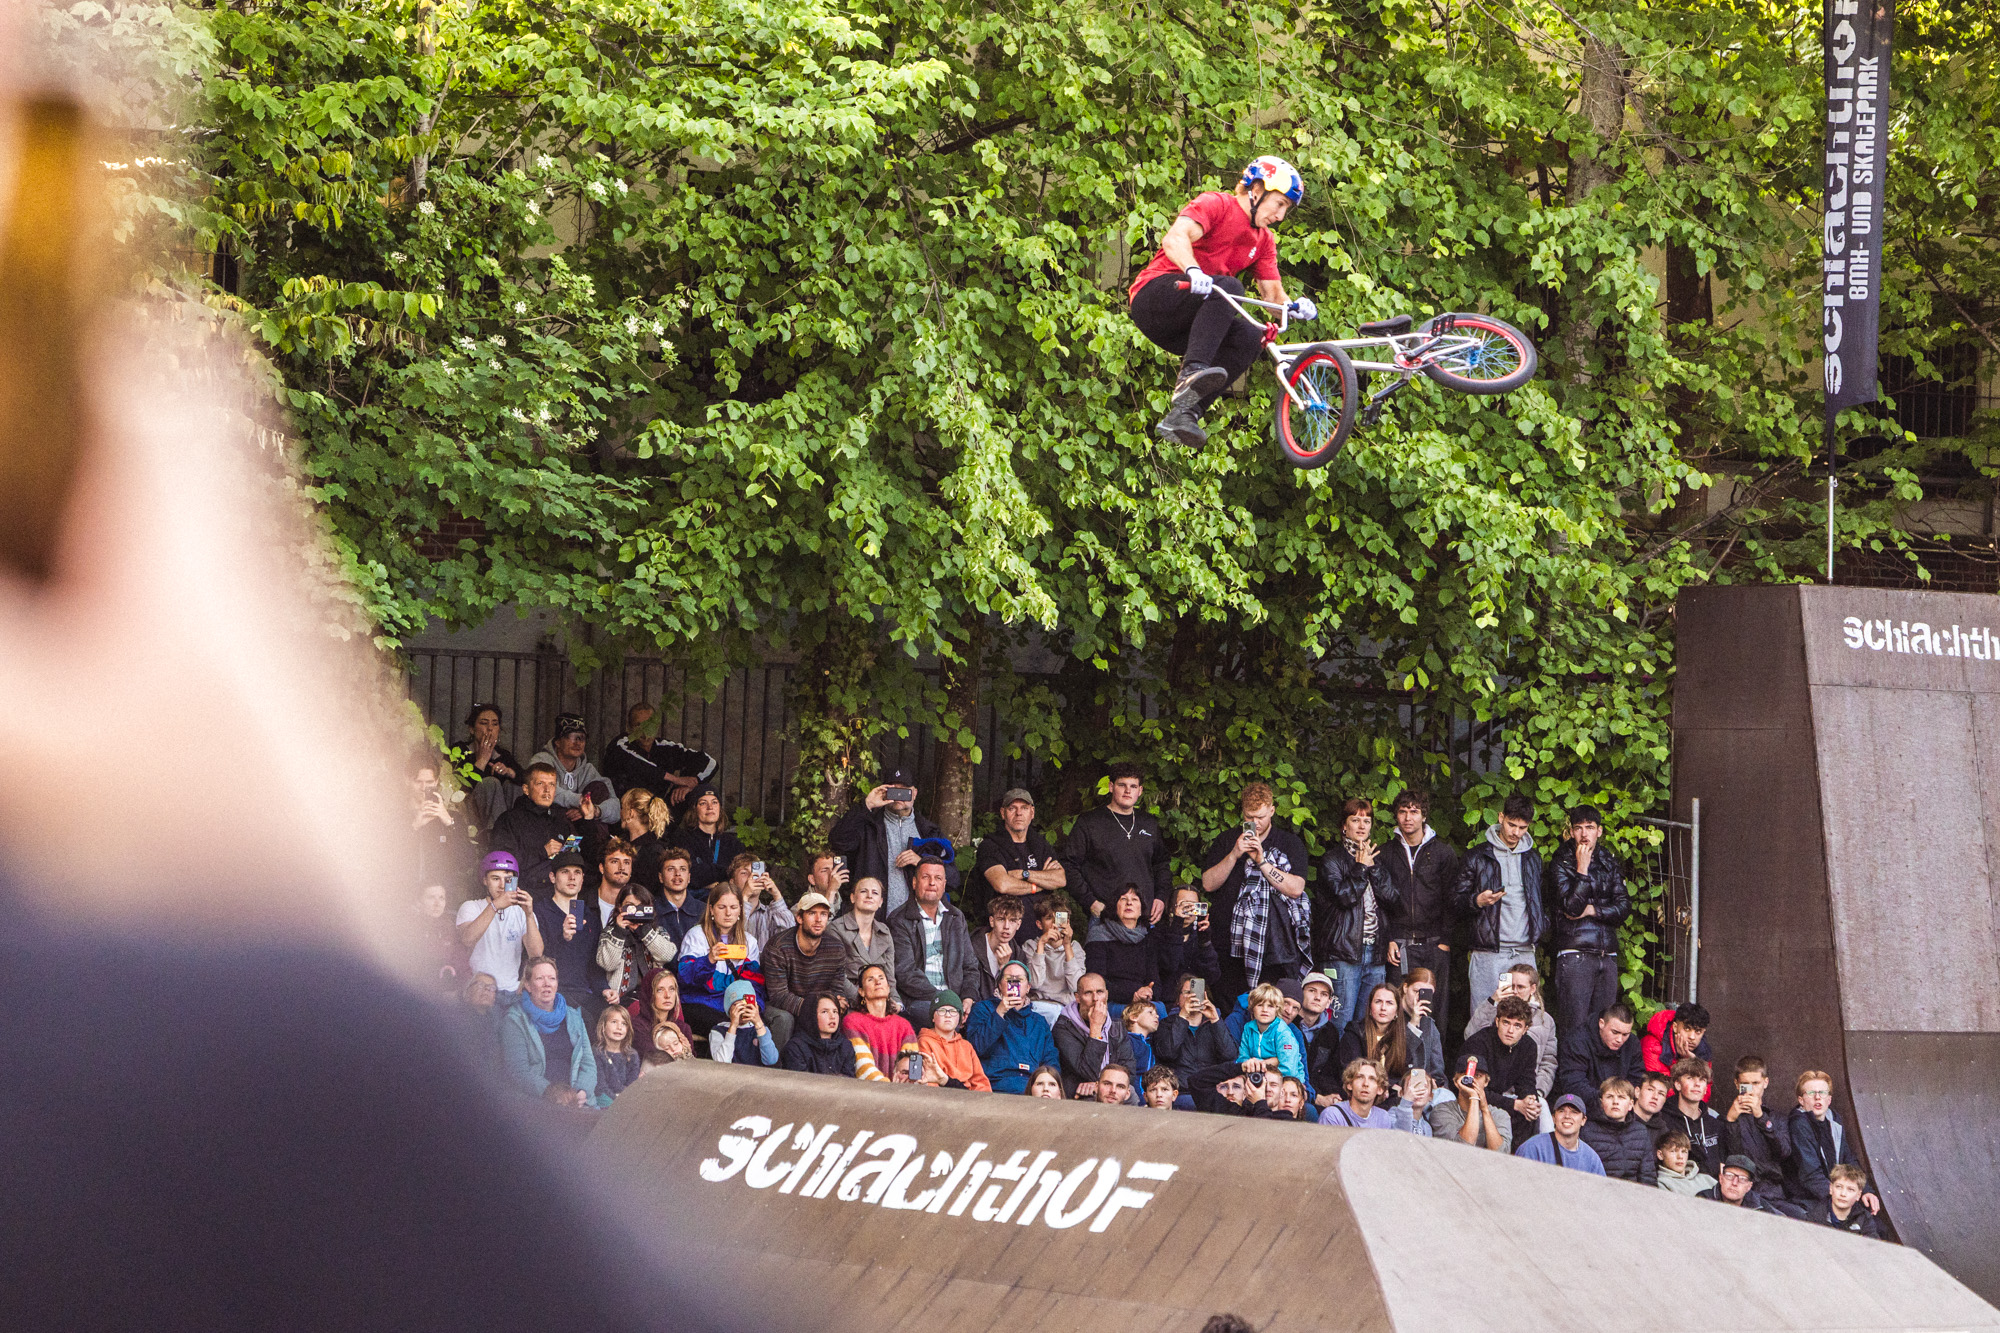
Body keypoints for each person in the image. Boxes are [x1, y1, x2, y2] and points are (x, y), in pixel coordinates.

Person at [1127, 155, 1312, 446]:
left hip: (1191, 324)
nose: (1280, 216)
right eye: (1280, 204)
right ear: (1258, 190)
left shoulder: (1263, 241)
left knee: (1252, 335)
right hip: (1155, 296)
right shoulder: (1216, 204)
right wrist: (1193, 270)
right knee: (1230, 286)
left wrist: (1294, 307)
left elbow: (1272, 294)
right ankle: (1193, 372)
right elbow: (1175, 239)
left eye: (1286, 209)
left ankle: (1184, 414)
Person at [1201, 781, 1310, 999]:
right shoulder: (1226, 840)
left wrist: (1262, 861)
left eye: (1260, 817)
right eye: (1249, 817)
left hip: (1275, 949)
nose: (1254, 823)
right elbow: (1208, 884)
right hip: (1230, 945)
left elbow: (1296, 888)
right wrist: (1234, 854)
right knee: (1232, 1008)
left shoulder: (1289, 843)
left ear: (1272, 810)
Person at [1316, 797, 1401, 1029]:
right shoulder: (1332, 860)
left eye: (1367, 820)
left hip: (1374, 953)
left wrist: (1373, 869)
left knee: (1369, 1025)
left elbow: (1393, 901)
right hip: (1343, 953)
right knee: (1340, 1023)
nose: (1362, 825)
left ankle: (1364, 1067)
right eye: (1355, 820)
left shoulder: (1376, 859)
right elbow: (1345, 897)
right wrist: (1361, 867)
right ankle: (1335, 1067)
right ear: (1344, 826)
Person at [1454, 793, 1546, 1005]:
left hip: (1524, 951)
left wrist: (1541, 926)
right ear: (1500, 817)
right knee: (1485, 1015)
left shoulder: (1533, 858)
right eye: (1511, 825)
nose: (1516, 832)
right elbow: (1454, 901)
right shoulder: (1477, 856)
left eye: (1523, 828)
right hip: (1489, 952)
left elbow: (1540, 902)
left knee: (1525, 1019)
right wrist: (1477, 901)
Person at [1381, 789, 1461, 1026]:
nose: (1408, 817)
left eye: (1414, 812)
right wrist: (1389, 937)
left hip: (1434, 943)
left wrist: (1445, 940)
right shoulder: (1385, 853)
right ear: (1396, 816)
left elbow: (1453, 898)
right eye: (1403, 811)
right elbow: (1379, 901)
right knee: (1398, 1010)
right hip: (1400, 945)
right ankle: (1397, 1062)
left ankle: (1433, 1063)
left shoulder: (1443, 853)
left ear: (1424, 816)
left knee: (1434, 1012)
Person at [828, 769, 959, 914]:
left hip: (915, 923)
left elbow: (953, 879)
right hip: (873, 919)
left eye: (904, 791)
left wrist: (922, 862)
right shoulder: (868, 826)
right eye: (893, 790)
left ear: (914, 793)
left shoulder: (929, 831)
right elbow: (838, 842)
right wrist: (867, 804)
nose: (898, 796)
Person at [1547, 805, 1629, 1033]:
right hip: (1575, 953)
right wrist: (1582, 869)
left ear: (1599, 831)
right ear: (1571, 832)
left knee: (1603, 1029)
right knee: (1575, 1028)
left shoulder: (1608, 861)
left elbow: (1624, 907)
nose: (1584, 834)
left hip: (1607, 953)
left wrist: (1593, 910)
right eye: (1578, 828)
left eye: (1590, 828)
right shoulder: (1561, 861)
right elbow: (1572, 908)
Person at [1064, 762, 1173, 924]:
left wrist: (1161, 897)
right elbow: (1069, 865)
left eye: (1133, 786)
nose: (1128, 791)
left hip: (1144, 917)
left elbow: (1161, 864)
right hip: (1105, 917)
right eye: (1122, 785)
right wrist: (1090, 902)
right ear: (1111, 787)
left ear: (1140, 791)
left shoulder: (1149, 823)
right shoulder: (1090, 822)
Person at [499, 957, 603, 1109]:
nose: (547, 983)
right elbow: (518, 1071)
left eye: (552, 978)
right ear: (528, 984)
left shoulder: (573, 1016)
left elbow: (588, 1062)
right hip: (537, 1104)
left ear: (557, 983)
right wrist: (550, 1091)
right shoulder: (514, 1020)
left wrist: (582, 1091)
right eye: (540, 978)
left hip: (579, 1103)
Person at [888, 859, 980, 1027]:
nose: (932, 883)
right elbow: (905, 973)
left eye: (938, 878)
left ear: (944, 884)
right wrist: (945, 1001)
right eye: (926, 877)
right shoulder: (900, 920)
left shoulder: (956, 917)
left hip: (956, 998)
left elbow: (970, 966)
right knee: (940, 1018)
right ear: (914, 882)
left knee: (984, 1016)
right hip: (920, 999)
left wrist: (967, 997)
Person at [1786, 1070, 1881, 1215]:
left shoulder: (1834, 1121)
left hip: (1835, 1194)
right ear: (1801, 1100)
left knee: (1875, 1225)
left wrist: (1865, 1190)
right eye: (1811, 1093)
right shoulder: (1798, 1125)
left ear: (1829, 1099)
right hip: (1808, 1198)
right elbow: (1810, 1175)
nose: (1817, 1097)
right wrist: (1842, 1199)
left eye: (1822, 1093)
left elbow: (1848, 1161)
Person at [1465, 964, 1559, 1111]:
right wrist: (1492, 1002)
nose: (1515, 991)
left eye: (1520, 987)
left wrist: (1535, 1094)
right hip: (1492, 1089)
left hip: (1527, 1089)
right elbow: (1471, 1037)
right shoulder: (1496, 1012)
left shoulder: (1545, 1021)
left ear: (1532, 989)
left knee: (1541, 1110)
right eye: (1511, 986)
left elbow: (1548, 1063)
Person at [676, 884, 765, 1036]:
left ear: (740, 910)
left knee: (755, 1028)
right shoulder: (697, 935)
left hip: (735, 1004)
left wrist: (747, 1006)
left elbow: (754, 984)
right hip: (700, 1003)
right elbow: (684, 979)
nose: (728, 913)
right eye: (722, 907)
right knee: (728, 1028)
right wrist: (708, 960)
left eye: (733, 907)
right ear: (711, 909)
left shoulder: (749, 941)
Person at [762, 890, 845, 1051]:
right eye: (812, 913)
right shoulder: (778, 947)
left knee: (845, 1015)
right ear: (799, 918)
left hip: (817, 1005)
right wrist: (814, 1009)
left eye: (824, 914)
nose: (818, 919)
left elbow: (836, 990)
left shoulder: (836, 948)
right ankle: (775, 1071)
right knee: (784, 1019)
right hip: (778, 1005)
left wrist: (834, 1004)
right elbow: (778, 995)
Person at [600, 701, 716, 816]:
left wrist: (689, 785)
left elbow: (710, 762)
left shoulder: (665, 747)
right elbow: (640, 764)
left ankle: (667, 832)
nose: (645, 731)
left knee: (699, 788)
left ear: (657, 726)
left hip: (658, 814)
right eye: (639, 725)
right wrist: (676, 779)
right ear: (629, 727)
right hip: (626, 816)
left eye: (649, 725)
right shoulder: (621, 744)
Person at [455, 852, 544, 996]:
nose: (502, 885)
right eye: (496, 878)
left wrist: (529, 914)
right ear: (485, 880)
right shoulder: (471, 907)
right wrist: (495, 906)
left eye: (508, 879)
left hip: (511, 991)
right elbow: (467, 939)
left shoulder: (521, 912)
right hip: (478, 991)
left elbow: (536, 954)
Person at [971, 788, 1066, 923]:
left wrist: (1024, 874)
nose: (1019, 813)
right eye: (1012, 808)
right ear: (1003, 813)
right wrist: (1040, 885)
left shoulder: (1040, 843)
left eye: (1024, 808)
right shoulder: (990, 846)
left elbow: (1060, 879)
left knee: (1066, 934)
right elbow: (1002, 885)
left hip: (1045, 928)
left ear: (1032, 813)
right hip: (1008, 931)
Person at [1083, 884, 1187, 1006]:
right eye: (1123, 899)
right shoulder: (1099, 935)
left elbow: (1156, 979)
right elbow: (1096, 982)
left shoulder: (1147, 937)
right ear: (1115, 906)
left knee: (1159, 1008)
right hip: (1110, 1002)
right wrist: (1133, 994)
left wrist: (1149, 992)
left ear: (1141, 910)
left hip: (1143, 1002)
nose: (1129, 903)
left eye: (1134, 899)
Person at [967, 961, 1062, 1094]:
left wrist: (1048, 1087)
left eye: (1019, 980)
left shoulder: (1039, 1022)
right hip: (993, 1085)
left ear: (1028, 987)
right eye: (1009, 979)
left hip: (1031, 1088)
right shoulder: (984, 1009)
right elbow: (975, 1048)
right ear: (1000, 985)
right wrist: (1000, 1013)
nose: (1014, 984)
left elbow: (1051, 1061)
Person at [1461, 994, 1542, 1148]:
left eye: (1517, 1025)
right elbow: (1471, 1088)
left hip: (1501, 1100)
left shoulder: (1529, 1046)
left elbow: (1527, 1082)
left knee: (1530, 1115)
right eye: (1506, 1023)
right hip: (1472, 1101)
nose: (1510, 1030)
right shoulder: (1478, 1043)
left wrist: (1530, 1100)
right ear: (1497, 1021)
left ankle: (1520, 1160)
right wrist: (1515, 1105)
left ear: (1525, 1029)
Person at [486, 764, 572, 897]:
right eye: (540, 783)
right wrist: (542, 852)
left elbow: (578, 859)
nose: (547, 790)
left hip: (558, 896)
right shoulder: (510, 820)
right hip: (522, 894)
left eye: (552, 785)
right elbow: (502, 864)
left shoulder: (561, 822)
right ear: (526, 789)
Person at [1321, 983, 1407, 1112]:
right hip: (1351, 1096)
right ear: (1370, 1008)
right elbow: (1351, 1074)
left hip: (1385, 1100)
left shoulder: (1402, 1039)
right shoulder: (1354, 1034)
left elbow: (1404, 1074)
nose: (1383, 1008)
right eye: (1378, 1002)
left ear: (1396, 1011)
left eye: (1389, 1003)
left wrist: (1393, 1088)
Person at [531, 851, 601, 1011]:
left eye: (577, 872)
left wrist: (604, 988)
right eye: (565, 872)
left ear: (583, 879)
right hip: (552, 995)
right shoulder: (539, 911)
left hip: (585, 996)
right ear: (552, 877)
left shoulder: (590, 917)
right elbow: (535, 959)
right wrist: (563, 938)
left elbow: (594, 965)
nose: (572, 877)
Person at [1721, 1055, 1794, 1205]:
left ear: (1765, 1082)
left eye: (1756, 1083)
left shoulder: (1777, 1118)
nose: (1751, 1089)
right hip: (1743, 1192)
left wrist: (1760, 1117)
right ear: (1737, 1084)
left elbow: (1784, 1152)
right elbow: (1732, 1156)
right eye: (1745, 1084)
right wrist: (1731, 1122)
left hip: (1773, 1191)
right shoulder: (1728, 1118)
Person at [1054, 973, 1137, 1099]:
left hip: (1108, 1087)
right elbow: (1088, 1071)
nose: (1096, 999)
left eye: (1100, 992)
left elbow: (1129, 1071)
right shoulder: (1064, 1027)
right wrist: (1096, 1027)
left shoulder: (1117, 1026)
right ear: (1077, 997)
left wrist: (1102, 1085)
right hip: (1079, 1090)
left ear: (1107, 995)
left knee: (1132, 1095)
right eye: (1088, 993)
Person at [591, 884, 668, 1013]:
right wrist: (619, 932)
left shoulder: (657, 932)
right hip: (620, 1000)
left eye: (641, 906)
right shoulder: (609, 933)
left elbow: (666, 956)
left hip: (654, 998)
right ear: (620, 907)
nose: (636, 911)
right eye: (630, 906)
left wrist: (644, 931)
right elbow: (608, 964)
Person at [530, 713, 619, 824]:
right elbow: (544, 790)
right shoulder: (542, 760)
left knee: (599, 787)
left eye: (582, 738)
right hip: (548, 824)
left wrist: (594, 810)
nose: (578, 743)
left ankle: (593, 841)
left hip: (577, 828)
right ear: (558, 741)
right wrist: (580, 801)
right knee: (558, 811)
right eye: (571, 737)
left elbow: (616, 807)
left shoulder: (588, 770)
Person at [1155, 972, 1236, 1092]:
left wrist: (1215, 1020)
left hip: (1210, 1090)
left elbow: (1229, 1055)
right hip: (1180, 1091)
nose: (1192, 996)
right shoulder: (1167, 1024)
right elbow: (1167, 1053)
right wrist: (1182, 1017)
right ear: (1178, 999)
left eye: (1196, 993)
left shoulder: (1214, 1024)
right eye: (1187, 992)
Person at [826, 875, 898, 1009]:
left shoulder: (884, 931)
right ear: (853, 897)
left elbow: (889, 976)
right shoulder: (836, 929)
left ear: (881, 902)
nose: (869, 896)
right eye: (863, 891)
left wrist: (895, 1001)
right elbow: (837, 975)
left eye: (875, 893)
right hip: (849, 1002)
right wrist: (863, 1001)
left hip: (880, 1002)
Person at [1555, 1003, 1644, 1109]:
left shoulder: (1632, 1043)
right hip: (1583, 1107)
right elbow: (1574, 1084)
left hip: (1622, 1108)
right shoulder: (1577, 1041)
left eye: (1625, 1034)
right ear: (1601, 1023)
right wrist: (1607, 1100)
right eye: (1615, 1032)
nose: (1620, 1039)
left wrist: (1620, 1102)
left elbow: (1637, 1078)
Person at [408, 764, 475, 888]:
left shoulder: (452, 818)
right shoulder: (398, 817)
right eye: (418, 781)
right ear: (408, 780)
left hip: (442, 896)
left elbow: (467, 862)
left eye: (429, 782)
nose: (424, 787)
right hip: (405, 893)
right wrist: (414, 826)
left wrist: (449, 822)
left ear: (437, 782)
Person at [843, 963, 918, 1072]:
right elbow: (864, 1069)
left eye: (881, 978)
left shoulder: (904, 1025)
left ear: (888, 988)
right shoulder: (852, 1022)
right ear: (861, 991)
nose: (877, 982)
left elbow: (913, 1072)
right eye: (870, 979)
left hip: (901, 1088)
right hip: (867, 1088)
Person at [1019, 898, 1084, 1025]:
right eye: (1049, 918)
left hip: (1065, 1008)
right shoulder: (1031, 946)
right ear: (1039, 924)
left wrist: (1067, 946)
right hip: (1038, 1006)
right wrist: (1041, 945)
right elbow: (1035, 983)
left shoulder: (1075, 948)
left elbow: (1076, 987)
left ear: (1067, 922)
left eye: (1059, 918)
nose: (1055, 924)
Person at [1581, 1078, 1657, 1185]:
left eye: (1621, 1097)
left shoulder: (1640, 1131)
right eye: (1610, 1097)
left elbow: (1647, 1176)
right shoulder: (1587, 1131)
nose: (1615, 1102)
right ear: (1601, 1103)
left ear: (1630, 1104)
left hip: (1632, 1196)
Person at [460, 702, 524, 829]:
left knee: (513, 786)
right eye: (484, 723)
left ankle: (516, 833)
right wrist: (482, 760)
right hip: (470, 815)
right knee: (490, 783)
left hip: (504, 816)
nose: (490, 728)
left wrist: (509, 772)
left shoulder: (503, 755)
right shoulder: (460, 750)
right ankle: (497, 836)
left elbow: (526, 779)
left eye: (495, 724)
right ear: (472, 729)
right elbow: (461, 788)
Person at [669, 785, 743, 893]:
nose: (710, 807)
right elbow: (692, 874)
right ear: (694, 809)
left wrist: (708, 876)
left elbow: (739, 875)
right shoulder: (682, 839)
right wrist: (725, 872)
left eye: (714, 802)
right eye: (703, 803)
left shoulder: (733, 843)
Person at [1429, 1054, 1509, 1152]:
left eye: (1478, 1075)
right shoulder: (1441, 1110)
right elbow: (1463, 1147)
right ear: (1455, 1081)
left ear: (1486, 1082)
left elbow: (1500, 1153)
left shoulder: (1500, 1115)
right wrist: (1474, 1098)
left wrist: (1484, 1110)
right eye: (1466, 1076)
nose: (1472, 1081)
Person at [1660, 1056, 1725, 1178]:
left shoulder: (1715, 1123)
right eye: (1690, 1078)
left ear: (1706, 1089)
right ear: (1678, 1085)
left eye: (1702, 1080)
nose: (1697, 1084)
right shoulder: (1665, 1121)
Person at [917, 991, 991, 1090]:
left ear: (960, 1017)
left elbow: (980, 1082)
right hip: (940, 1098)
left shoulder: (966, 1046)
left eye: (953, 1011)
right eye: (942, 1011)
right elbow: (928, 1081)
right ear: (933, 1017)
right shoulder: (924, 1042)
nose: (948, 1015)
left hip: (968, 1099)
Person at [1515, 1094, 1607, 1174]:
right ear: (1554, 1118)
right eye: (1561, 1111)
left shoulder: (1591, 1158)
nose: (1567, 1116)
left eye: (1574, 1112)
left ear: (1583, 1120)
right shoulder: (1533, 1148)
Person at [1236, 982, 1307, 1085]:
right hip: (1257, 1078)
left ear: (1277, 1010)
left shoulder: (1283, 1032)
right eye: (1260, 1005)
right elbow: (1243, 1059)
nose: (1265, 1010)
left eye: (1270, 1006)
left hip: (1287, 1082)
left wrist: (1265, 1076)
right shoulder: (1248, 1028)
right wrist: (1266, 1063)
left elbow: (1289, 1069)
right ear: (1252, 1008)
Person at [727, 854, 796, 954]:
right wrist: (744, 897)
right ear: (732, 883)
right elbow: (731, 936)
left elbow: (789, 938)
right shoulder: (725, 912)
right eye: (744, 873)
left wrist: (777, 896)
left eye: (755, 873)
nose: (752, 877)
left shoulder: (771, 914)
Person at [781, 994, 860, 1077]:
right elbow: (800, 1084)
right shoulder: (795, 1048)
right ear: (810, 1016)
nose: (832, 1016)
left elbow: (849, 1082)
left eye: (835, 1011)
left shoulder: (845, 1046)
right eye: (824, 1012)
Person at [1701, 1155, 1803, 1216]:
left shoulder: (1759, 1205)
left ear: (1749, 1186)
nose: (1734, 1183)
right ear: (1720, 1178)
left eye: (1742, 1179)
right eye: (1730, 1176)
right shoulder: (1703, 1200)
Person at [629, 969, 694, 1064]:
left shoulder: (683, 1028)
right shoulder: (637, 1027)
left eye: (672, 989)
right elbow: (654, 1061)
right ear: (649, 994)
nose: (667, 995)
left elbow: (692, 1065)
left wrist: (689, 1052)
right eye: (660, 990)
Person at [709, 980, 780, 1066]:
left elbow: (771, 1060)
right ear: (729, 1009)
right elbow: (722, 1062)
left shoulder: (760, 1029)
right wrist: (733, 1026)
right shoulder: (718, 1031)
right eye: (738, 1006)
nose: (743, 1010)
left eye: (747, 1005)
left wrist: (758, 1022)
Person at [1641, 1001, 1714, 1085]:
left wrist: (1694, 1063)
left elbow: (1704, 1092)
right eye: (1687, 1029)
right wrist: (1683, 1064)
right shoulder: (1653, 1045)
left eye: (1698, 1031)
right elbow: (1659, 1089)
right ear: (1675, 1027)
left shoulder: (1703, 1051)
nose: (1692, 1037)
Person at [1397, 969, 1447, 1087]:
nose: (1419, 997)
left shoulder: (1428, 1025)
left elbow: (1437, 1070)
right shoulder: (1390, 1016)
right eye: (1416, 991)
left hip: (1425, 1088)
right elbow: (1398, 1061)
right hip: (1399, 1085)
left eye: (1426, 994)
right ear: (1405, 988)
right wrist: (1413, 1023)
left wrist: (1436, 1084)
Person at [650, 846, 707, 950]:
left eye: (682, 869)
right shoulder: (651, 910)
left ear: (689, 877)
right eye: (671, 869)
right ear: (661, 877)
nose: (677, 874)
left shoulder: (704, 911)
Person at [1318, 1058, 1399, 1129]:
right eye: (1360, 1077)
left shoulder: (1383, 1118)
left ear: (1380, 1089)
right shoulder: (1333, 1115)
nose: (1365, 1084)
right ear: (1349, 1085)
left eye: (1372, 1079)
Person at [412, 882, 463, 990]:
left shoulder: (452, 927)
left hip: (445, 992)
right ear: (419, 902)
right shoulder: (409, 928)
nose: (437, 903)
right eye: (431, 898)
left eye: (441, 898)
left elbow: (461, 962)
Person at [974, 896, 1026, 997]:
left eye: (1012, 921)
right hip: (978, 1009)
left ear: (1018, 924)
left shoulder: (1018, 955)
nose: (1006, 926)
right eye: (1001, 919)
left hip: (1004, 1009)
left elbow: (1014, 997)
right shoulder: (972, 947)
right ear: (992, 921)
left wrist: (1005, 968)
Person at [1818, 1164, 1884, 1237]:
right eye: (1839, 1187)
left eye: (1850, 1190)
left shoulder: (1864, 1220)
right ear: (1831, 1188)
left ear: (1858, 1195)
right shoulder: (1815, 1215)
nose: (1843, 1194)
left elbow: (1873, 1245)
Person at [593, 1005, 642, 1100]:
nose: (619, 1027)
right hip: (604, 1099)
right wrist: (616, 1099)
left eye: (624, 1024)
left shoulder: (632, 1055)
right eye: (614, 1022)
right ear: (603, 1026)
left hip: (626, 1100)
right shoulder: (597, 1053)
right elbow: (600, 1086)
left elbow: (632, 1085)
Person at [1655, 1129, 1715, 1197]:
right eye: (1673, 1151)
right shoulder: (1661, 1184)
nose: (1680, 1157)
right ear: (1660, 1155)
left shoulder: (1706, 1179)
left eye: (1684, 1152)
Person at [797, 849, 851, 916]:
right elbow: (822, 924)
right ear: (812, 879)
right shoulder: (801, 908)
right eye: (824, 871)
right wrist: (831, 891)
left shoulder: (848, 905)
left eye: (834, 869)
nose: (832, 874)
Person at [1631, 1070, 1674, 1139]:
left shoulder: (1663, 1132)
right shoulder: (1621, 1121)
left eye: (1661, 1094)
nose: (1655, 1097)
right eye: (1650, 1090)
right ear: (1637, 1092)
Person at [1122, 1000, 1160, 1075]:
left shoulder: (1150, 1044)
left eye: (1156, 1013)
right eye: (1150, 1012)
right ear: (1134, 1017)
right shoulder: (1127, 1041)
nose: (1157, 1016)